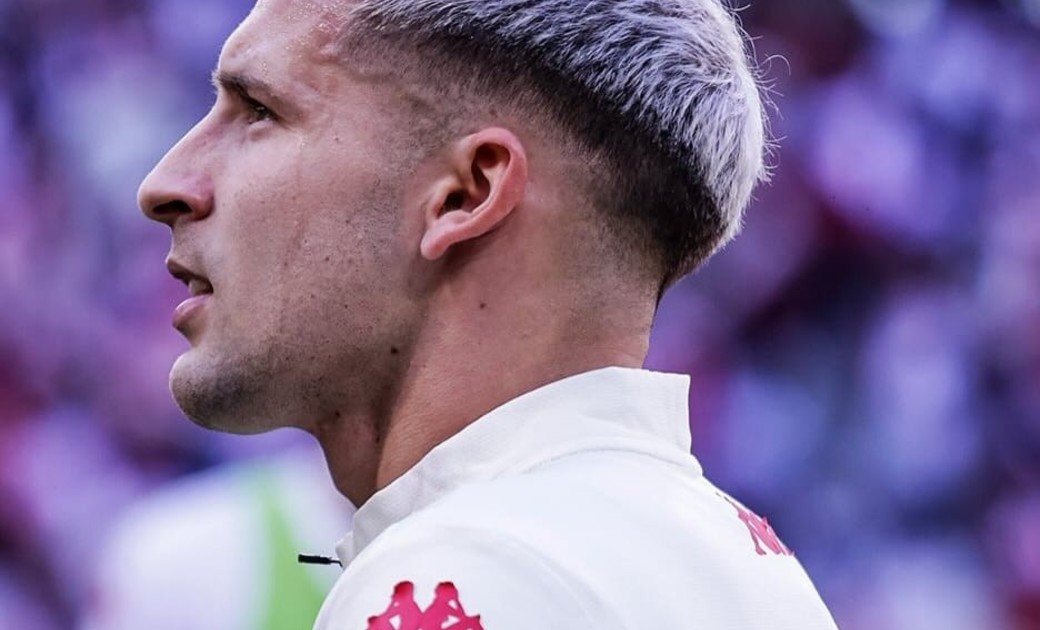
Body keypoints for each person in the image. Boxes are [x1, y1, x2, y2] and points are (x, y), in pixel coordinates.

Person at [137, 0, 838, 627]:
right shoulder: (758, 575)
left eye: (259, 111)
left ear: (465, 194)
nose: (163, 184)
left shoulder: (459, 574)